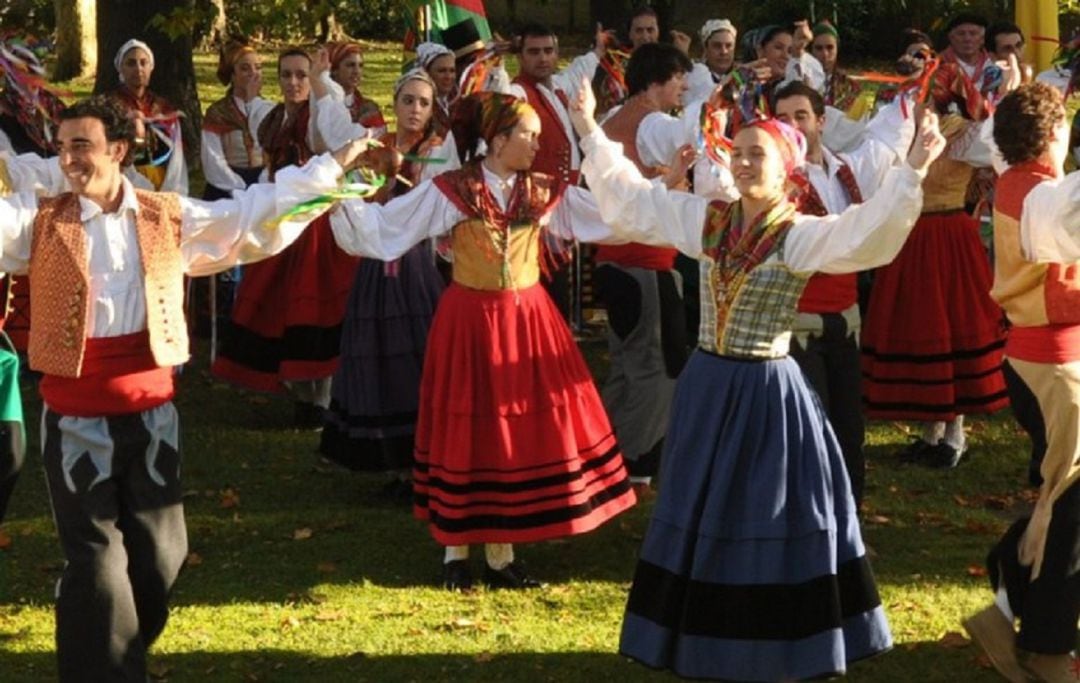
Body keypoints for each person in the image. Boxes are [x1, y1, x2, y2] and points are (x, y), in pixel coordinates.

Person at [567, 72, 945, 682]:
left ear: (788, 169)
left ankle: (774, 636)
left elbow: (869, 234)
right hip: (708, 387)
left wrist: (913, 172)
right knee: (702, 508)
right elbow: (635, 202)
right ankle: (699, 632)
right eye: (737, 153)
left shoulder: (798, 236)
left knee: (765, 514)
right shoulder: (709, 224)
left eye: (757, 155)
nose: (743, 164)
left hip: (768, 393)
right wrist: (589, 127)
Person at [0, 94, 369, 683]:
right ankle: (106, 670)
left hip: (152, 417)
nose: (67, 159)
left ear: (117, 151)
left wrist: (333, 165)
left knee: (158, 559)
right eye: (62, 145)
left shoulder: (166, 217)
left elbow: (251, 215)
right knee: (96, 563)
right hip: (74, 422)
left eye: (81, 145)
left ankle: (112, 647)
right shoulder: (39, 222)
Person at [329, 92, 637, 591]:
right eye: (528, 135)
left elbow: (607, 215)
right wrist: (345, 201)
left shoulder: (542, 191)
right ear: (497, 141)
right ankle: (456, 550)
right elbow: (391, 226)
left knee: (511, 432)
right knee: (467, 426)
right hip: (469, 318)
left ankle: (500, 552)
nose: (537, 145)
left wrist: (657, 191)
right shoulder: (453, 190)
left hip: (528, 321)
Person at [963, 82, 1080, 683]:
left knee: (1064, 499)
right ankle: (1045, 643)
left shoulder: (1025, 183)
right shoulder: (1039, 193)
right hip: (1053, 365)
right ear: (1054, 133)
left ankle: (1010, 602)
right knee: (1069, 505)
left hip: (1045, 359)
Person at [861, 25, 1010, 467]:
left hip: (947, 233)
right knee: (921, 327)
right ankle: (931, 431)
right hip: (910, 234)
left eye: (928, 83)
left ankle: (955, 435)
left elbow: (992, 148)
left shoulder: (963, 132)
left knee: (950, 328)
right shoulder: (898, 123)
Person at [773, 80, 916, 509]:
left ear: (821, 121)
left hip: (847, 320)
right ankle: (808, 524)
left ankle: (848, 523)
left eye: (800, 116)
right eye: (782, 119)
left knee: (849, 428)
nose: (793, 126)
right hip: (797, 325)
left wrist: (918, 87)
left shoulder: (849, 170)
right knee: (808, 428)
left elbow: (891, 135)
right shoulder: (774, 181)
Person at [212, 47, 367, 427]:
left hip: (317, 224)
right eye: (286, 75)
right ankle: (300, 393)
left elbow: (340, 146)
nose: (294, 83)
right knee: (279, 306)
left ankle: (322, 397)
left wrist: (322, 83)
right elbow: (269, 169)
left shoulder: (321, 115)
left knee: (317, 306)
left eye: (301, 75)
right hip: (281, 220)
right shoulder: (271, 118)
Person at [319, 69, 457, 496]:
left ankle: (424, 463)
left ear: (433, 111)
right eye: (408, 101)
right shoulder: (375, 146)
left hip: (415, 264)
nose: (415, 109)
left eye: (423, 103)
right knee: (375, 352)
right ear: (395, 104)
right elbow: (355, 193)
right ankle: (392, 462)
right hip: (376, 264)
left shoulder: (437, 153)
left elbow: (434, 209)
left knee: (416, 354)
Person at [592, 42, 705, 494]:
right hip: (643, 263)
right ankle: (635, 466)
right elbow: (698, 155)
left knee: (626, 365)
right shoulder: (655, 123)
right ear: (659, 79)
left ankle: (603, 451)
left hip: (613, 261)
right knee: (657, 369)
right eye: (678, 78)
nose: (682, 88)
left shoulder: (610, 120)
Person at [108, 39, 188, 194]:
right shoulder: (111, 106)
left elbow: (176, 153)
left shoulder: (163, 107)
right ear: (121, 70)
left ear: (151, 68)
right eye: (131, 63)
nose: (138, 68)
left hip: (162, 180)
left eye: (143, 63)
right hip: (123, 180)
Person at [327, 41, 388, 136]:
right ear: (334, 70)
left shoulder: (369, 110)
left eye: (360, 66)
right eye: (350, 65)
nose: (357, 71)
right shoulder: (320, 106)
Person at [685, 18, 738, 103]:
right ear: (706, 48)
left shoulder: (743, 77)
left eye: (728, 46)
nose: (724, 52)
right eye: (717, 46)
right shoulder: (693, 76)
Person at [416, 41, 457, 135]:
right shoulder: (421, 108)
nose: (448, 76)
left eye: (452, 71)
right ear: (426, 73)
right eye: (442, 71)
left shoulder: (454, 102)